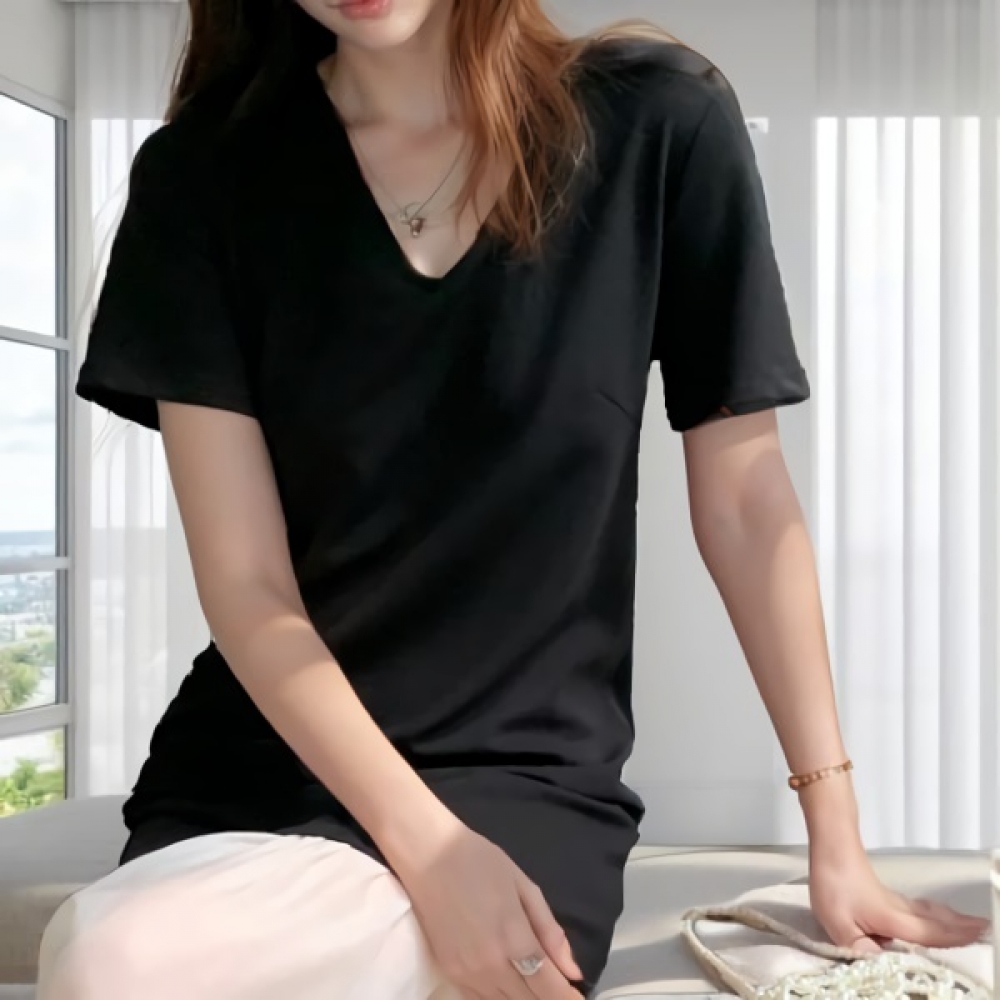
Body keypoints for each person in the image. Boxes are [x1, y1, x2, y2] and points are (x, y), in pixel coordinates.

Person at [39, 0, 988, 997]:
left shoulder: (657, 124)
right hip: (267, 766)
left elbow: (748, 505)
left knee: (124, 963)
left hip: (524, 781)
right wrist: (430, 849)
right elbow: (247, 588)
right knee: (113, 958)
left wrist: (834, 832)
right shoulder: (204, 175)